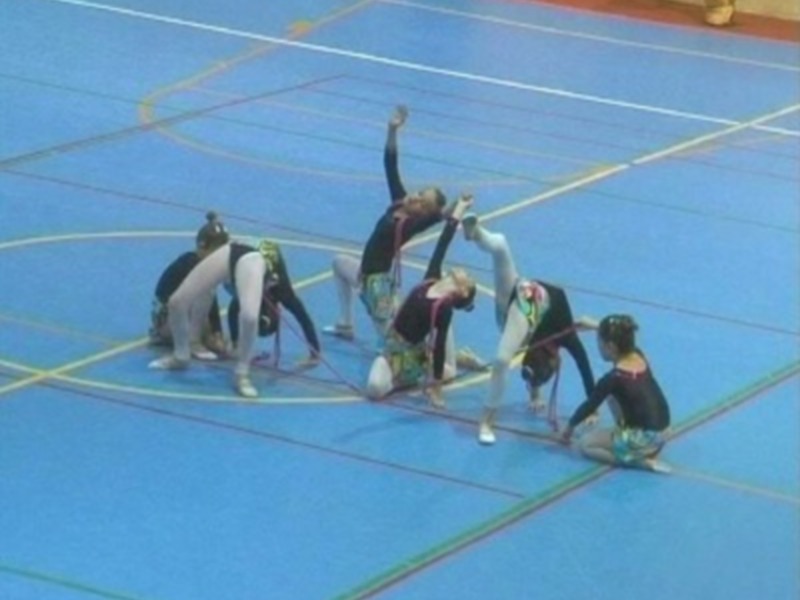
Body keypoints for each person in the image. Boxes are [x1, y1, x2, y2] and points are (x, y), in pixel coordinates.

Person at [325, 105, 456, 347]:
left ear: (423, 213)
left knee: (389, 342)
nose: (415, 198)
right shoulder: (399, 201)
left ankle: (435, 352)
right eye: (419, 193)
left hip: (377, 286)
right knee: (338, 263)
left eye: (422, 202)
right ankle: (345, 323)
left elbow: (437, 218)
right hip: (363, 274)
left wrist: (452, 212)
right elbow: (390, 164)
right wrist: (392, 129)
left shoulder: (410, 225)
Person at [461, 213, 586, 445]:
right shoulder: (565, 334)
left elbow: (533, 363)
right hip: (525, 298)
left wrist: (536, 394)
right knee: (500, 246)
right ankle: (476, 233)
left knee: (502, 360)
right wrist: (592, 407)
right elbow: (583, 363)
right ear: (554, 358)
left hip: (512, 308)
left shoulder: (537, 349)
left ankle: (487, 419)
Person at [149, 237, 320, 399]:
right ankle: (181, 356)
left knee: (249, 317)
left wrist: (237, 346)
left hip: (241, 256)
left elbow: (234, 310)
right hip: (243, 255)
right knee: (177, 301)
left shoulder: (253, 291)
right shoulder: (283, 291)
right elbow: (302, 315)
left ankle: (241, 373)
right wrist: (315, 352)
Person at [365, 195, 486, 408]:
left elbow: (438, 345)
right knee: (374, 389)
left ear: (463, 291)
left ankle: (432, 369)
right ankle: (458, 357)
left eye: (468, 277)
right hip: (393, 346)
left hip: (412, 355)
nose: (464, 270)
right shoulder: (431, 278)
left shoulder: (445, 308)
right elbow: (443, 242)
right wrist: (459, 208)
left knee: (377, 389)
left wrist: (436, 389)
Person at [560, 315, 671, 473]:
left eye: (600, 342)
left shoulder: (613, 378)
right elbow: (622, 337)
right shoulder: (638, 355)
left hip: (644, 441)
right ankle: (630, 442)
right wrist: (595, 325)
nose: (598, 346)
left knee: (586, 444)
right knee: (613, 396)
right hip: (664, 434)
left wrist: (569, 428)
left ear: (610, 347)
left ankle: (637, 461)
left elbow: (590, 405)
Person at [148, 211, 229, 359]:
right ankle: (193, 342)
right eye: (216, 251)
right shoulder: (191, 264)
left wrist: (218, 333)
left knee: (214, 336)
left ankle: (198, 337)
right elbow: (208, 297)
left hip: (177, 314)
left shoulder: (206, 263)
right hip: (165, 319)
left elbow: (212, 302)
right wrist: (214, 334)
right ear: (202, 247)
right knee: (204, 303)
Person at [225, 239, 321, 363]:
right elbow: (303, 317)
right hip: (256, 254)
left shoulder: (280, 292)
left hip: (258, 258)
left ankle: (235, 344)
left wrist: (315, 353)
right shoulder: (280, 291)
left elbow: (303, 317)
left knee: (238, 301)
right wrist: (315, 352)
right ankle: (235, 344)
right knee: (237, 302)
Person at [520, 284, 597, 415]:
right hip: (533, 293)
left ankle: (593, 324)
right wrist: (535, 397)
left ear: (554, 361)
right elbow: (530, 365)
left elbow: (585, 369)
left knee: (580, 327)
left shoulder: (568, 338)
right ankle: (584, 323)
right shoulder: (534, 341)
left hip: (547, 297)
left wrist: (592, 410)